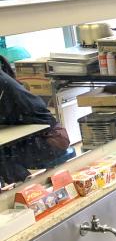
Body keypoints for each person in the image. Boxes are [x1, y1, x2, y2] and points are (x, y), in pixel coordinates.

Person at [0, 56, 72, 184]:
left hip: (50, 139)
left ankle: (25, 187)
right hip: (37, 137)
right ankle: (24, 186)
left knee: (3, 154)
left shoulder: (2, 83)